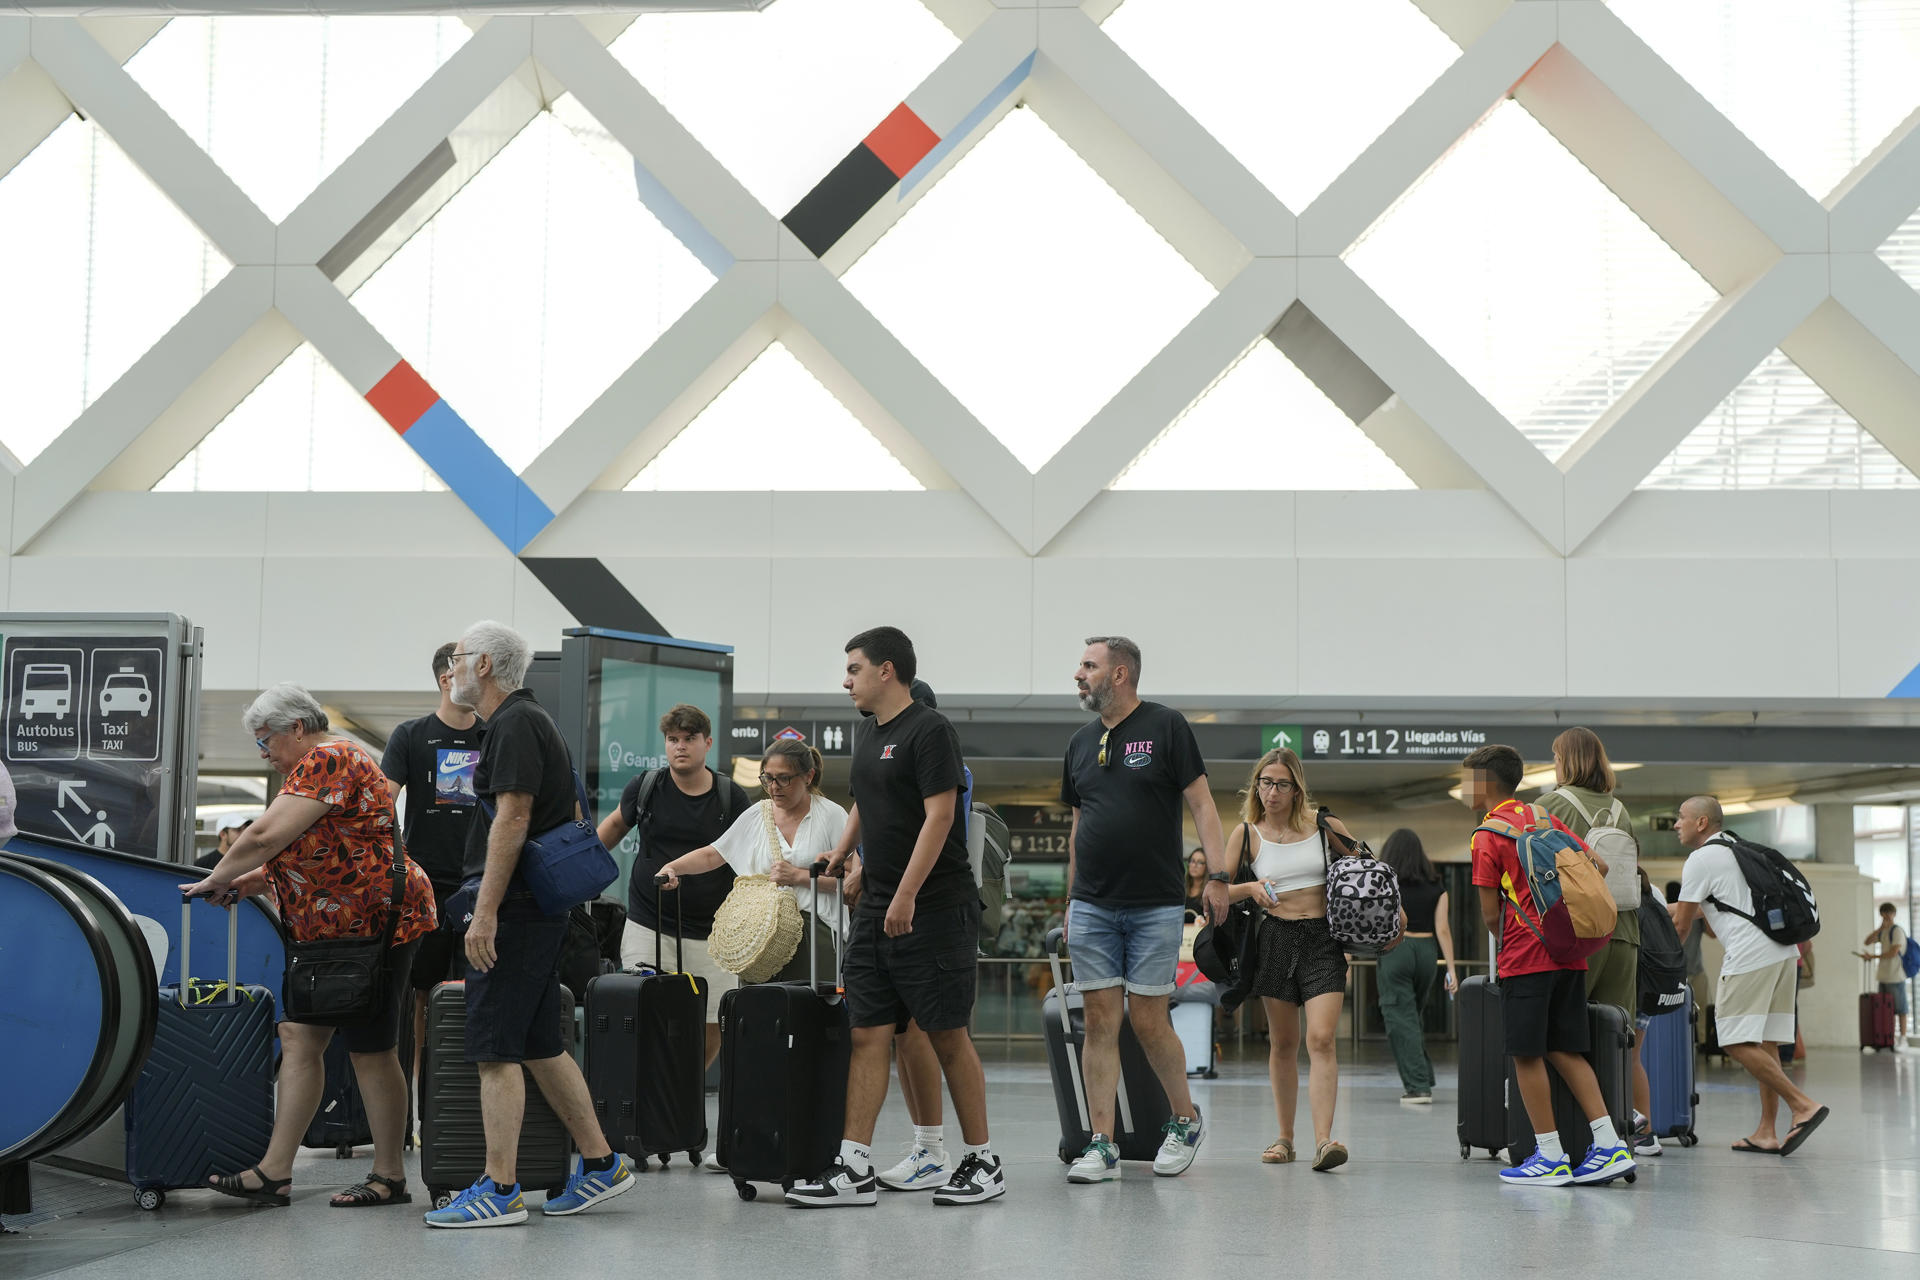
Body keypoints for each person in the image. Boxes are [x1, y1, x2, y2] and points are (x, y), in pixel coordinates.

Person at [182, 684, 437, 1210]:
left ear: (296, 727)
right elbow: (319, 848)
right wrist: (251, 882)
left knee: (371, 1048)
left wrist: (216, 877)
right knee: (300, 1037)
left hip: (374, 925)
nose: (264, 753)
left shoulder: (330, 757)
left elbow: (263, 836)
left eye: (266, 740)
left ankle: (389, 1175)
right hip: (332, 931)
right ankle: (275, 1172)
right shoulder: (317, 766)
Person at [423, 621, 636, 1227]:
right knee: (543, 1045)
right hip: (539, 910)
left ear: (485, 664)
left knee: (493, 1051)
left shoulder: (514, 725)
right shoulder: (531, 722)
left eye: (459, 658)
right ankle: (601, 1165)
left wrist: (484, 912)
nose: (452, 670)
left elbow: (511, 821)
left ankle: (500, 1189)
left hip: (513, 912)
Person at [795, 626, 1003, 1207]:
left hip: (933, 908)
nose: (846, 680)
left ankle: (983, 1162)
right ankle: (854, 1165)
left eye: (854, 668)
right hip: (877, 905)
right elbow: (867, 795)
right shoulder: (868, 732)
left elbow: (940, 816)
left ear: (887, 670)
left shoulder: (931, 731)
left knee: (946, 1034)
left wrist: (908, 893)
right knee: (867, 1033)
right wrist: (841, 852)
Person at [1056, 636, 1226, 1184]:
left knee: (1150, 1019)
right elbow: (1080, 826)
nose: (1078, 674)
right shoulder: (1081, 742)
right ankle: (1101, 1144)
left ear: (1121, 673)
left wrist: (1219, 876)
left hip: (1154, 905)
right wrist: (1071, 898)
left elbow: (1201, 803)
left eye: (1089, 665)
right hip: (1093, 906)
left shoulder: (1166, 726)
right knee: (1100, 1022)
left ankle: (1184, 1121)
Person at [1464, 743, 1634, 1186]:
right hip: (1570, 953)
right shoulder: (1543, 818)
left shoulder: (1488, 834)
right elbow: (1596, 863)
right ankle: (1610, 1145)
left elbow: (1487, 912)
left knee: (1525, 1055)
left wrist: (1509, 937)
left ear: (1483, 784)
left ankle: (1550, 1155)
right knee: (1566, 1049)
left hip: (1526, 956)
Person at [596, 702, 748, 1091]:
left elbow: (747, 855)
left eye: (689, 739)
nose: (680, 746)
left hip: (715, 933)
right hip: (648, 922)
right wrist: (579, 877)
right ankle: (646, 1096)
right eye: (672, 739)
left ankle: (679, 1094)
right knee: (642, 1013)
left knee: (713, 1020)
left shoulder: (731, 797)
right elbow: (611, 828)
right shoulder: (646, 787)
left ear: (707, 743)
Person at [1671, 795, 1829, 1154]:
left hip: (1750, 957)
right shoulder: (1737, 849)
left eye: (1681, 818)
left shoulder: (1699, 859)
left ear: (1701, 823)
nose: (1676, 824)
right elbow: (1709, 905)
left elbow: (1682, 925)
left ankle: (1802, 1105)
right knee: (1766, 1042)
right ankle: (1766, 1131)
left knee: (1733, 1040)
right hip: (1783, 952)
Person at [1229, 748, 1358, 1170]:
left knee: (1320, 1039)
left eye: (1282, 783)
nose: (1272, 791)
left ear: (1296, 787)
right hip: (1276, 936)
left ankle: (1324, 1140)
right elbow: (1214, 890)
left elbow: (1366, 871)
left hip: (1323, 937)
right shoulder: (1247, 834)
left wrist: (1396, 914)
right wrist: (1249, 890)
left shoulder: (1324, 825)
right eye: (1265, 782)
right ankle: (1285, 1138)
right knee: (1282, 1043)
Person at [1535, 727, 1657, 1155]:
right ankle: (1619, 1132)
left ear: (1565, 761)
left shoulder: (1549, 805)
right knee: (1614, 1036)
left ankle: (1568, 1135)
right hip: (1624, 933)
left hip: (1577, 937)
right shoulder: (1620, 810)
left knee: (1556, 1035)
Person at [381, 641, 484, 1095]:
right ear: (447, 678)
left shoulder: (495, 733)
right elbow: (382, 801)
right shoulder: (411, 735)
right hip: (425, 884)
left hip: (482, 883)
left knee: (473, 990)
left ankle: (462, 1094)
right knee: (422, 993)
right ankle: (423, 1094)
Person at [657, 738, 845, 985]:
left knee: (811, 1018)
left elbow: (853, 879)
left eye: (784, 778)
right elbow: (714, 854)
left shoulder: (831, 815)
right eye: (768, 778)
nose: (774, 787)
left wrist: (799, 876)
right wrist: (673, 868)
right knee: (758, 1016)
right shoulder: (758, 813)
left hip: (816, 933)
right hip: (759, 937)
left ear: (808, 776)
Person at [1376, 828, 1456, 1104]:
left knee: (1401, 1018)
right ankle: (1424, 1076)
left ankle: (1418, 1086)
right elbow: (1443, 929)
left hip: (1397, 949)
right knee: (1412, 1017)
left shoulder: (1385, 884)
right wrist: (1452, 970)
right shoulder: (1437, 886)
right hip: (1427, 953)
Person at [1857, 902, 1910, 1048]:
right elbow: (1867, 941)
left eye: (1889, 913)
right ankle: (1888, 1039)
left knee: (1901, 1009)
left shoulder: (1897, 931)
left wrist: (1873, 957)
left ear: (1894, 914)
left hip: (1896, 976)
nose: (1886, 916)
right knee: (1886, 1010)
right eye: (1884, 913)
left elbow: (1894, 953)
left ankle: (1903, 1039)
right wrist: (1880, 929)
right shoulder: (1884, 932)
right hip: (1883, 977)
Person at [1183, 848, 1209, 918]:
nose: (1194, 865)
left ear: (1207, 867)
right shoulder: (1182, 888)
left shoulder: (1209, 892)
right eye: (1192, 861)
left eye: (1200, 862)